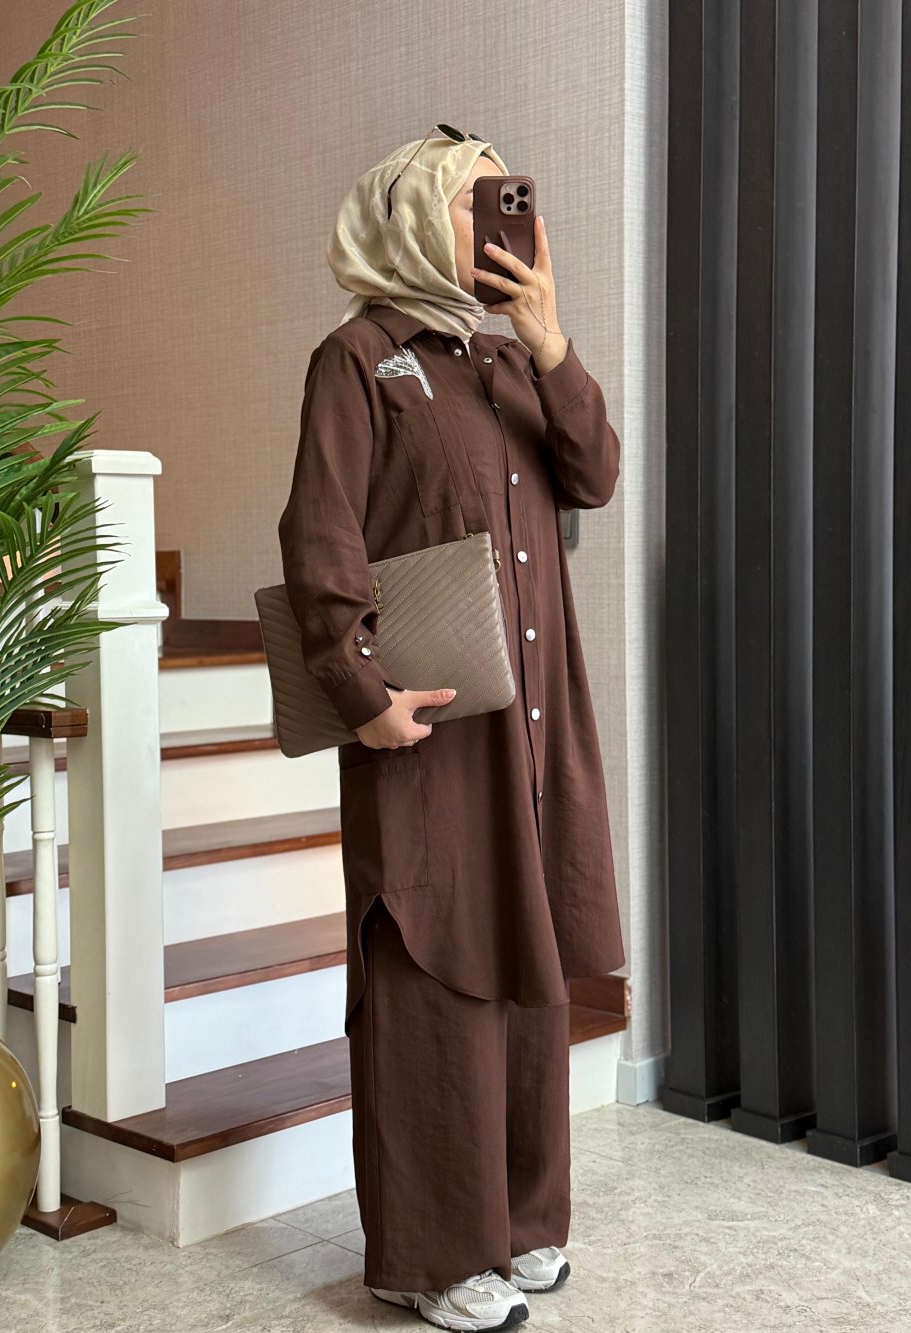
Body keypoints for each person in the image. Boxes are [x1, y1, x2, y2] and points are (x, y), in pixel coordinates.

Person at [277, 127, 626, 1332]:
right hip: (426, 729)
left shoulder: (509, 359)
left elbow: (593, 474)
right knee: (428, 963)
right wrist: (358, 692)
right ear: (414, 220)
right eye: (475, 203)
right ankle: (425, 1254)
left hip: (531, 725)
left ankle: (520, 1222)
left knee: (528, 961)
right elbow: (319, 535)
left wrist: (551, 339)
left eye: (505, 202)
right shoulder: (357, 360)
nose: (498, 225)